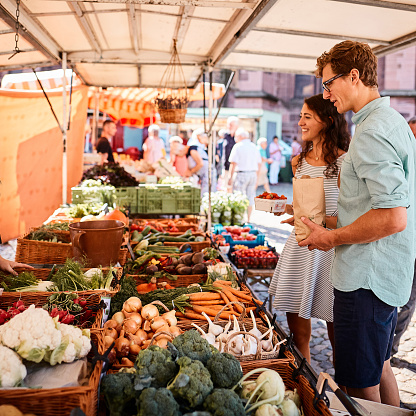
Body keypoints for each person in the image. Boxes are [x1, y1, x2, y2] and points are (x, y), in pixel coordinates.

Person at [300, 40, 416, 406]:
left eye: (328, 83)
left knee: (359, 387)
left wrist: (331, 237)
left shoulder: (372, 132)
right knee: (379, 368)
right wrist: (322, 221)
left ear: (354, 76)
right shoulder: (389, 120)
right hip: (380, 276)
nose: (326, 93)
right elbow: (374, 206)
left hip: (367, 279)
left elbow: (393, 216)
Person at [269, 94, 350, 362]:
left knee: (338, 335)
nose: (300, 122)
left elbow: (347, 217)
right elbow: (303, 207)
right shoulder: (297, 161)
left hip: (330, 253)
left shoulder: (344, 162)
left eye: (307, 117)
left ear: (327, 121)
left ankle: (341, 396)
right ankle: (304, 386)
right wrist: (287, 210)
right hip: (300, 249)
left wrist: (318, 222)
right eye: (301, 115)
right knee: (298, 335)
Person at [391, 115, 416, 357]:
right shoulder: (400, 164)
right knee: (400, 300)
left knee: (408, 302)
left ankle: (390, 346)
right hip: (401, 243)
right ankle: (388, 347)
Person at [228, 128, 262, 223]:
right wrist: (257, 178)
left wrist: (230, 177)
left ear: (240, 137)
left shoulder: (238, 146)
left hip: (241, 174)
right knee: (250, 196)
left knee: (239, 196)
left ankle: (239, 218)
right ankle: (248, 219)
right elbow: (259, 164)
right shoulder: (254, 146)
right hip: (252, 174)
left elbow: (233, 163)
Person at [219, 116, 239, 191]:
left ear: (236, 126)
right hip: (226, 166)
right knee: (226, 187)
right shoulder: (226, 136)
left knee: (235, 188)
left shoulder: (239, 136)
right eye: (228, 124)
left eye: (231, 125)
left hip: (236, 168)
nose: (229, 127)